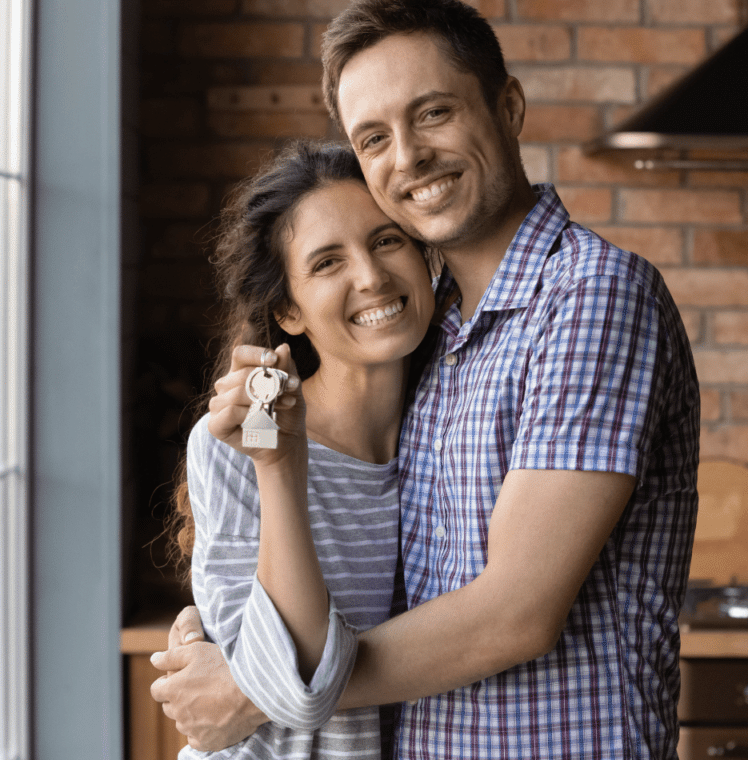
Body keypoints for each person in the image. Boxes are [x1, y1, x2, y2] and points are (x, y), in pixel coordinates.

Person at [150, 1, 701, 757]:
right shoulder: (434, 337)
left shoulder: (590, 297)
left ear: (507, 107)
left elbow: (516, 613)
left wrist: (256, 687)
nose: (407, 157)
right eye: (373, 137)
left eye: (433, 112)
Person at [169, 139, 434, 758]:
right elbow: (294, 693)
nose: (370, 276)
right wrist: (279, 464)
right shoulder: (239, 447)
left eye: (388, 240)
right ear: (289, 309)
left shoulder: (456, 429)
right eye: (326, 263)